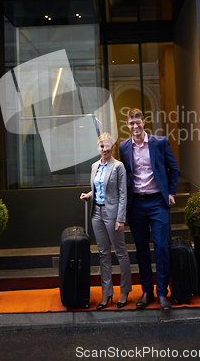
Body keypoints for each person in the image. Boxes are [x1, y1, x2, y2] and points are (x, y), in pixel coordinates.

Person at [119, 108, 178, 312]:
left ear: (144, 122)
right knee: (142, 249)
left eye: (138, 122)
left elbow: (173, 167)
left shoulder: (159, 142)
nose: (135, 126)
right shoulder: (124, 147)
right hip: (136, 205)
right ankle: (147, 291)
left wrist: (171, 192)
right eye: (131, 123)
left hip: (157, 203)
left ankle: (162, 294)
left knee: (161, 247)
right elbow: (124, 176)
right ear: (127, 125)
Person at [80, 132, 132, 310]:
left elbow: (122, 193)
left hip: (112, 214)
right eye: (102, 146)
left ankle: (124, 291)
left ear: (112, 147)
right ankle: (106, 293)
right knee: (103, 254)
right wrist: (89, 194)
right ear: (98, 147)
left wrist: (120, 218)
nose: (105, 149)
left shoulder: (118, 166)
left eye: (108, 145)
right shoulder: (94, 166)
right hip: (97, 213)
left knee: (121, 252)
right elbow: (99, 188)